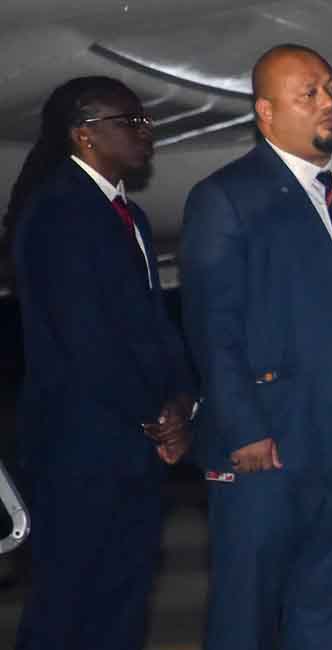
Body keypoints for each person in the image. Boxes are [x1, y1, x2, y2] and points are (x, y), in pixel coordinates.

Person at [179, 44, 332, 650]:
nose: (329, 103)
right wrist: (242, 428)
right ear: (265, 112)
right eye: (308, 94)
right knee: (248, 611)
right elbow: (213, 324)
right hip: (272, 445)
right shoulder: (227, 197)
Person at [6, 76, 195, 650]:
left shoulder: (127, 216)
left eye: (145, 122)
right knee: (66, 608)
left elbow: (151, 325)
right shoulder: (59, 213)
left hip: (129, 445)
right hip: (79, 450)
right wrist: (152, 415)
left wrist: (182, 399)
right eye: (129, 122)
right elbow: (85, 337)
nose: (145, 134)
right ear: (85, 135)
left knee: (122, 605)